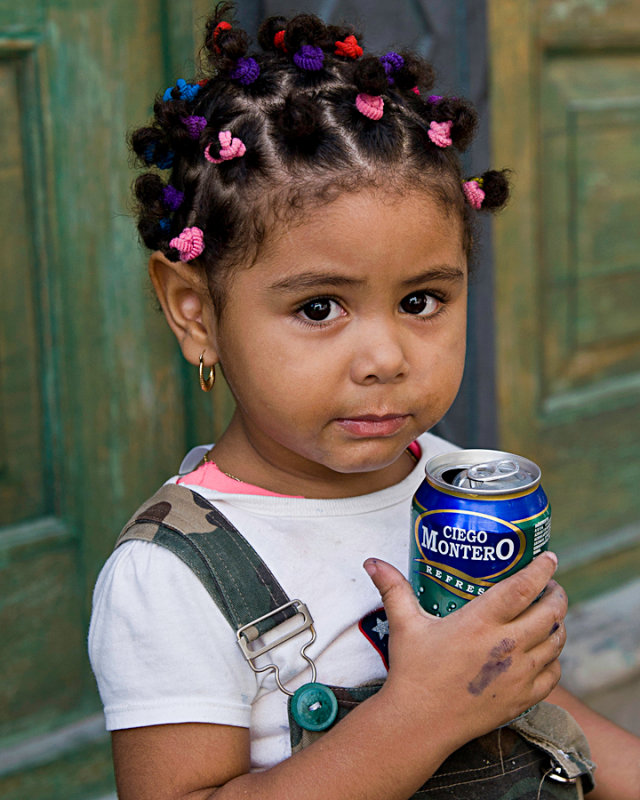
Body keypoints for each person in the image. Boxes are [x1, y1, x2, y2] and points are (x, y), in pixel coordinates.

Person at [88, 4, 640, 798]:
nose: (386, 359)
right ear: (195, 311)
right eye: (319, 308)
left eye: (421, 300)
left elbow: (543, 711)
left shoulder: (451, 490)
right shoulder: (168, 578)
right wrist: (419, 714)